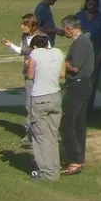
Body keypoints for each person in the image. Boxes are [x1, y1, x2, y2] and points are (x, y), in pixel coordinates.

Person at [24, 33, 63, 180]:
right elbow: (62, 73)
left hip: (40, 98)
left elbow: (30, 75)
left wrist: (29, 65)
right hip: (55, 96)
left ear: (34, 46)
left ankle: (47, 173)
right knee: (52, 135)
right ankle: (54, 168)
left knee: (40, 136)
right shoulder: (58, 52)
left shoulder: (35, 54)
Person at [59, 15, 94, 175]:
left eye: (64, 29)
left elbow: (74, 68)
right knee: (79, 124)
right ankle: (79, 157)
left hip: (78, 85)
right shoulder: (82, 42)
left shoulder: (80, 44)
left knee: (66, 124)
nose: (63, 31)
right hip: (82, 84)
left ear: (69, 28)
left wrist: (60, 61)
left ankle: (75, 159)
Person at [5, 13, 40, 147]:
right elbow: (22, 51)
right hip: (28, 75)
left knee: (38, 104)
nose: (22, 27)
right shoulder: (25, 37)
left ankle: (37, 133)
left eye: (25, 24)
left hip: (40, 75)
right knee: (29, 104)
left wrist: (33, 62)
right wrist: (10, 45)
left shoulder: (42, 37)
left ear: (33, 25)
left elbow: (47, 54)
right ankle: (30, 134)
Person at [77, 0, 101, 111]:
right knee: (79, 81)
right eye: (90, 4)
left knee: (92, 82)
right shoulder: (79, 16)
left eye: (94, 5)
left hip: (95, 54)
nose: (92, 6)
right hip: (80, 54)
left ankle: (88, 108)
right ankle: (78, 106)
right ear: (86, 4)